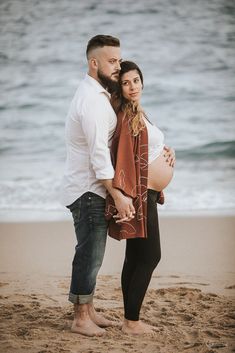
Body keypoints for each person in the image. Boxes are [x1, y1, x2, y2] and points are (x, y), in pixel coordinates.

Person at [60, 36, 135, 337]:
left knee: (94, 253)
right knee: (89, 254)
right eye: (111, 61)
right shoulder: (91, 100)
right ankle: (80, 319)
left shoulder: (98, 95)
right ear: (94, 63)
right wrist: (117, 194)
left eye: (119, 60)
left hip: (91, 187)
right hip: (87, 189)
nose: (117, 66)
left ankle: (88, 310)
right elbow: (98, 155)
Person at [105, 61, 176, 335]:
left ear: (143, 82)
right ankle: (131, 322)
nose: (132, 87)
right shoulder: (125, 116)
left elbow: (146, 153)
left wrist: (170, 158)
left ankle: (129, 319)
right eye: (126, 82)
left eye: (136, 80)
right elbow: (122, 159)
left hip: (148, 192)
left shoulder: (139, 113)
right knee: (149, 257)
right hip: (139, 196)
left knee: (134, 258)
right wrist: (127, 197)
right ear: (119, 88)